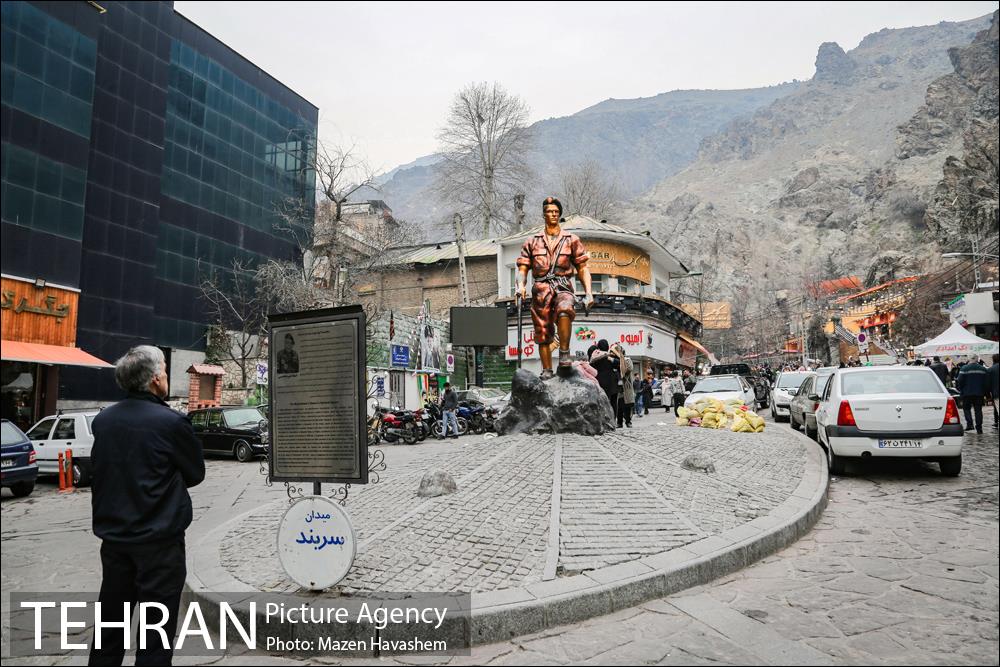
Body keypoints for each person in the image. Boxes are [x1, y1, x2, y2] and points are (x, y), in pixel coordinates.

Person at [89, 346, 205, 666]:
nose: (167, 376)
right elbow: (195, 474)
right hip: (159, 543)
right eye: (165, 370)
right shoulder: (172, 423)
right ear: (155, 380)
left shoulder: (104, 421)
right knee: (155, 636)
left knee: (110, 627)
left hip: (115, 540)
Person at [516, 197, 595, 379]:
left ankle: (565, 355)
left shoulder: (571, 240)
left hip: (562, 285)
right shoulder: (532, 241)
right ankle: (546, 370)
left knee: (565, 308)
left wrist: (589, 292)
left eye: (556, 212)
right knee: (542, 331)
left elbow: (583, 267)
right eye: (550, 212)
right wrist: (520, 286)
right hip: (540, 289)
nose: (553, 215)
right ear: (544, 214)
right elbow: (522, 268)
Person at [589, 340, 620, 421]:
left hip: (601, 382)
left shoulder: (595, 357)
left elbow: (591, 367)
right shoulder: (610, 356)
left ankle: (603, 420)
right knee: (613, 402)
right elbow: (619, 364)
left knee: (602, 402)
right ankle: (613, 419)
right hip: (612, 382)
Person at [957, 356, 989, 434]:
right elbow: (987, 382)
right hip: (979, 393)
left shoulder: (964, 368)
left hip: (967, 393)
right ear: (977, 360)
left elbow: (959, 380)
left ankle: (970, 424)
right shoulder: (983, 369)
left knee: (966, 408)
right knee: (978, 410)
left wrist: (961, 389)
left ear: (970, 359)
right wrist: (985, 392)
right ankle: (979, 428)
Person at [615, 344, 635, 428]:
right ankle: (619, 422)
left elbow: (629, 368)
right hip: (618, 388)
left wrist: (621, 361)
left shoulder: (627, 359)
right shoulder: (614, 361)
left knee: (627, 406)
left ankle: (628, 421)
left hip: (626, 387)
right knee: (619, 406)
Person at [989, 353, 999, 428]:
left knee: (996, 407)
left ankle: (996, 421)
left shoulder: (991, 369)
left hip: (996, 392)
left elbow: (988, 382)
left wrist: (988, 393)